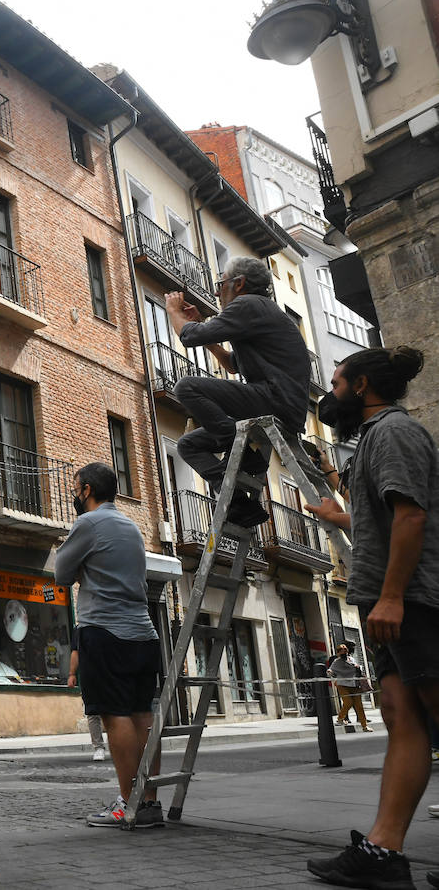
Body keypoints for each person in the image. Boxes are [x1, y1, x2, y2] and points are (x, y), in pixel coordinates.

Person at [302, 346, 439, 889]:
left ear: (361, 386)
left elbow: (411, 515)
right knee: (400, 716)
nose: (330, 392)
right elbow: (387, 515)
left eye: (337, 382)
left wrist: (393, 597)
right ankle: (384, 854)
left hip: (416, 598)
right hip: (389, 598)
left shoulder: (394, 433)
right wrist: (345, 516)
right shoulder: (373, 440)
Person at [166, 255, 312, 528]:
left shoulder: (248, 304)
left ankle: (241, 450)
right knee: (189, 444)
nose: (218, 292)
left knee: (186, 387)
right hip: (278, 400)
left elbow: (189, 336)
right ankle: (238, 502)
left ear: (239, 283)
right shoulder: (258, 311)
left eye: (220, 285)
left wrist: (173, 311)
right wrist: (204, 327)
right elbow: (233, 366)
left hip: (275, 399)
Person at [56, 462, 163, 829]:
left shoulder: (88, 523)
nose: (73, 494)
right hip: (143, 632)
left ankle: (127, 803)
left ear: (86, 490)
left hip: (104, 630)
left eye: (75, 488)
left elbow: (60, 573)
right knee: (142, 714)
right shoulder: (132, 527)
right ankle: (149, 801)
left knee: (114, 714)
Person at [66, 649, 108, 762]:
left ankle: (120, 745)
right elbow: (75, 651)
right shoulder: (80, 631)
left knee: (114, 712)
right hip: (89, 676)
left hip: (110, 673)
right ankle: (98, 747)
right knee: (93, 712)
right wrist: (72, 674)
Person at [329, 642, 374, 732]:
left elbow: (357, 671)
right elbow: (331, 670)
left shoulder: (351, 659)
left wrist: (358, 668)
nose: (344, 652)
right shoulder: (336, 662)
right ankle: (340, 718)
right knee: (348, 702)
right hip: (343, 685)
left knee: (359, 706)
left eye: (345, 650)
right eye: (342, 650)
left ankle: (364, 726)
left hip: (354, 684)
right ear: (338, 653)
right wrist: (330, 672)